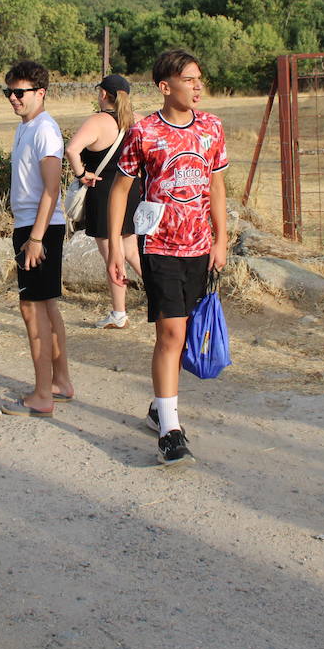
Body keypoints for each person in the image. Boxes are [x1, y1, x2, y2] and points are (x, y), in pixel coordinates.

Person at [106, 50, 228, 467]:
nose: (198, 86)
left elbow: (216, 184)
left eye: (199, 79)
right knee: (171, 334)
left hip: (200, 247)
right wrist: (114, 249)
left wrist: (221, 239)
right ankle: (170, 433)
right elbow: (120, 189)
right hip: (158, 247)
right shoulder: (143, 132)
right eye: (189, 79)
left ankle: (162, 406)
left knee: (185, 335)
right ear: (165, 86)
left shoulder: (211, 128)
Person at [0, 60, 70, 417]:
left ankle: (43, 394)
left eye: (20, 93)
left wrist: (37, 238)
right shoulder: (26, 126)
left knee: (32, 308)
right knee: (46, 306)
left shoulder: (44, 128)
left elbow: (52, 188)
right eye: (9, 92)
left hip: (38, 228)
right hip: (33, 225)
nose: (13, 98)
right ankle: (60, 382)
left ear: (40, 93)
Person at [64, 74, 143, 329]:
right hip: (131, 189)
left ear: (103, 94)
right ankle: (166, 296)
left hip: (104, 191)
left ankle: (119, 313)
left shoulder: (98, 121)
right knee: (130, 249)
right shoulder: (136, 121)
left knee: (111, 253)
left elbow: (72, 150)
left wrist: (81, 174)